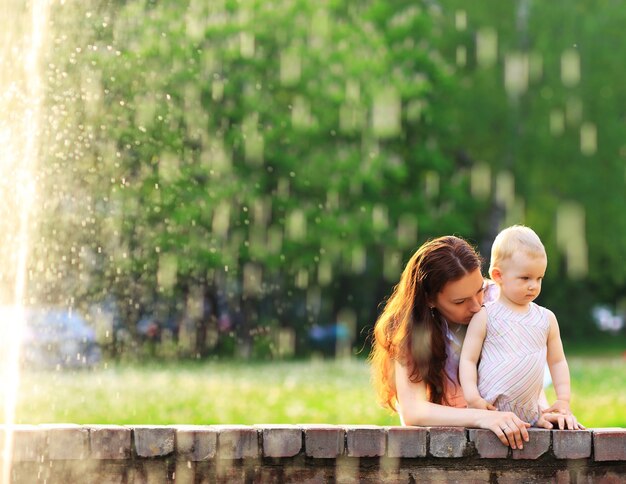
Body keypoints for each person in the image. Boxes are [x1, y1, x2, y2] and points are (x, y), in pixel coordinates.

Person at [369, 235, 579, 450]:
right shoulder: (410, 330)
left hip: (505, 428)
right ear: (430, 299)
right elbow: (414, 411)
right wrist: (480, 417)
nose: (477, 306)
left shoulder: (499, 299)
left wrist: (542, 414)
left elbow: (521, 371)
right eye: (460, 301)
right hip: (448, 444)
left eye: (479, 289)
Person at [459, 226, 583, 430]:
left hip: (532, 415)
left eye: (539, 278)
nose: (533, 285)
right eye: (525, 278)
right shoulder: (485, 315)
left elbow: (558, 361)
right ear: (498, 276)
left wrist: (563, 400)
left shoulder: (546, 319)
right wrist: (472, 398)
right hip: (490, 413)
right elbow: (468, 359)